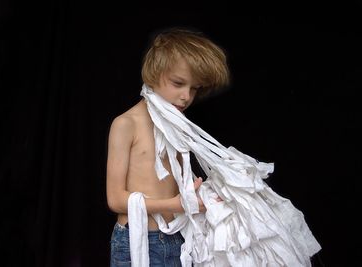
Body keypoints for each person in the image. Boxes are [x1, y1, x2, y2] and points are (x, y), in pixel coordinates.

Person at [106, 27, 321, 267]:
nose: (186, 96)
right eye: (178, 83)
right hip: (137, 240)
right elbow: (115, 199)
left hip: (177, 239)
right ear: (153, 73)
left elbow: (174, 189)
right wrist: (176, 205)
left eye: (194, 88)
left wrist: (200, 195)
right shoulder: (125, 124)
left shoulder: (177, 128)